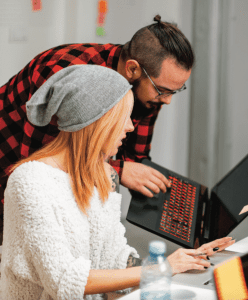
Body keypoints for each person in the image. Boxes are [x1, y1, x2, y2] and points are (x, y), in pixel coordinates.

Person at [1, 66, 235, 299]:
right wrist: (161, 269)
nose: (130, 127)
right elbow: (65, 281)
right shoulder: (30, 181)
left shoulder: (103, 174)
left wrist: (178, 262)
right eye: (123, 118)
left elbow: (113, 258)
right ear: (97, 122)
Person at [0, 15, 194, 237]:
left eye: (175, 91)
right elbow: (43, 163)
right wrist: (119, 170)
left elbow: (136, 157)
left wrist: (177, 206)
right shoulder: (67, 74)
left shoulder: (150, 93)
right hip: (10, 156)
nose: (167, 100)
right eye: (163, 91)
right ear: (133, 69)